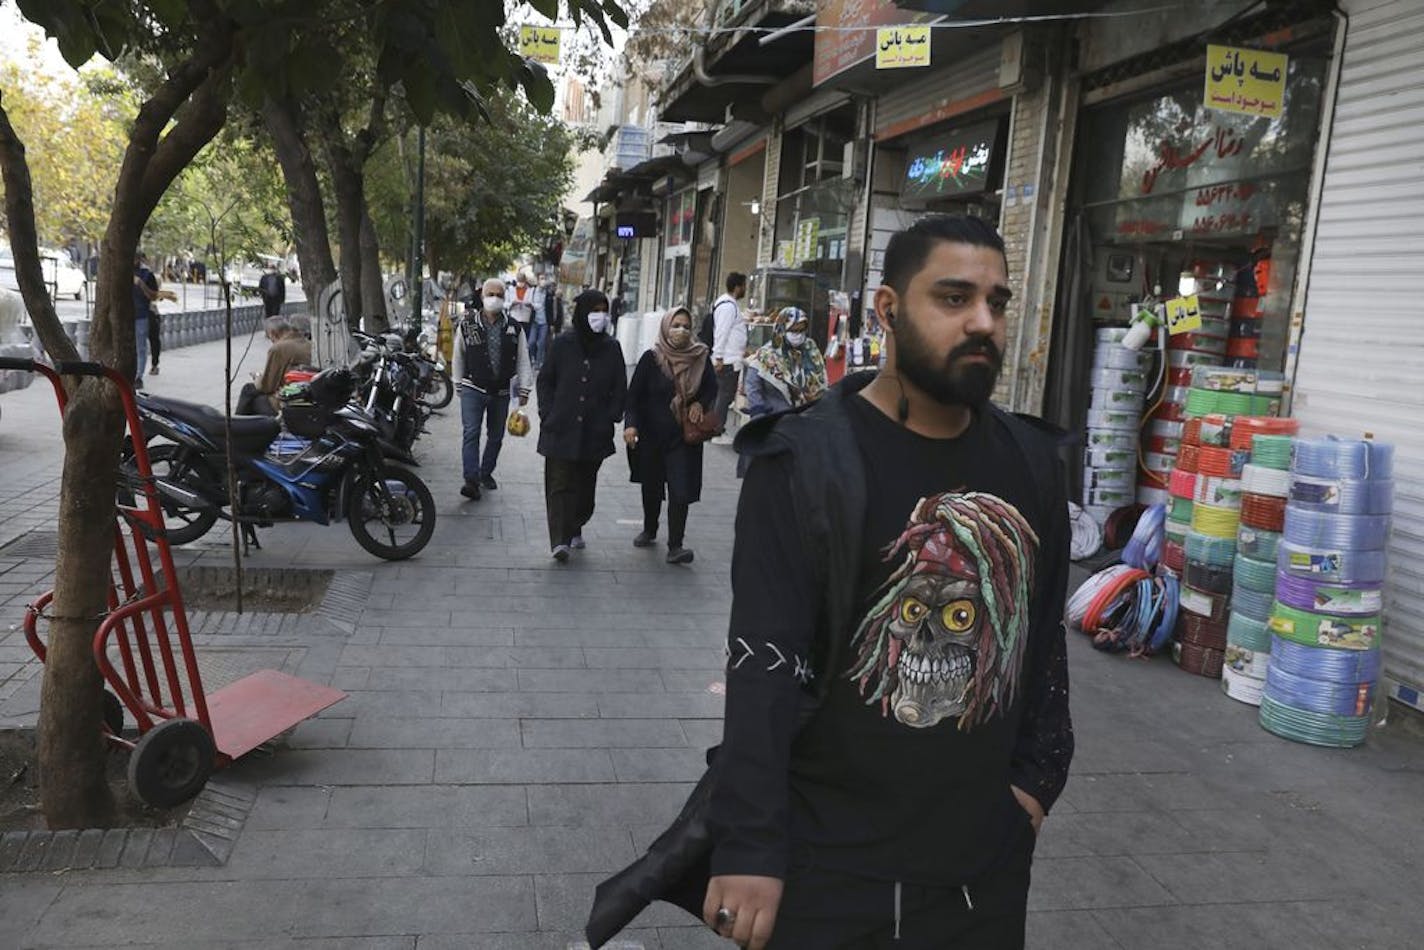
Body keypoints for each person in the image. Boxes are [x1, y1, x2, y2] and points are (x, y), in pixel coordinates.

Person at [702, 215, 1072, 949]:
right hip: (827, 868)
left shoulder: (1032, 463)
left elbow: (1041, 641)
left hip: (981, 872)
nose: (982, 322)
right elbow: (761, 667)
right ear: (888, 309)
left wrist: (1033, 786)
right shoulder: (803, 464)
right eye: (954, 297)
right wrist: (750, 846)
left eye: (997, 302)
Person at [536, 289, 627, 563]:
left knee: (585, 487)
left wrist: (612, 414)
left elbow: (620, 386)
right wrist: (547, 413)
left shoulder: (611, 347)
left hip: (594, 431)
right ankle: (559, 540)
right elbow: (546, 380)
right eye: (594, 310)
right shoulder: (562, 344)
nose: (599, 316)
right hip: (560, 428)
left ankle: (576, 524)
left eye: (603, 310)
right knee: (559, 484)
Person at [624, 307, 718, 565]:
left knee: (680, 489)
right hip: (652, 434)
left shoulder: (700, 357)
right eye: (676, 325)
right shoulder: (650, 359)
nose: (681, 331)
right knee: (652, 485)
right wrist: (630, 425)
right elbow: (633, 397)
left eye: (687, 326)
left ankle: (676, 544)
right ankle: (650, 528)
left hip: (684, 436)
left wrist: (701, 403)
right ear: (666, 327)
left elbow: (711, 387)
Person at [452, 278, 534, 500]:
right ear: (482, 296)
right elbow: (458, 353)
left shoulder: (514, 327)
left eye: (499, 294)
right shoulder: (467, 324)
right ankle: (471, 480)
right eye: (491, 294)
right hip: (472, 387)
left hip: (501, 392)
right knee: (471, 432)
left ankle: (485, 473)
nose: (494, 299)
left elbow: (524, 359)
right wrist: (457, 382)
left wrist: (524, 388)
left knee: (496, 436)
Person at [236, 316, 312, 416]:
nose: (271, 340)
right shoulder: (307, 343)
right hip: (303, 392)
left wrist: (257, 377)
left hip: (287, 399)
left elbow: (267, 386)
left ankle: (234, 425)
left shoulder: (278, 348)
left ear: (273, 333)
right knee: (250, 391)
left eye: (269, 337)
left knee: (250, 393)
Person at [709, 272, 748, 433]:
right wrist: (718, 356)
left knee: (723, 395)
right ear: (737, 287)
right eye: (744, 286)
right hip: (727, 359)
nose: (745, 289)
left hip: (729, 357)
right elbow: (722, 332)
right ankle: (716, 428)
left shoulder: (729, 305)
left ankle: (713, 426)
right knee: (724, 396)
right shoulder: (727, 307)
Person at [132, 253, 159, 388]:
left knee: (140, 347)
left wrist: (141, 285)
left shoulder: (147, 275)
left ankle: (138, 376)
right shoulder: (122, 271)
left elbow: (154, 296)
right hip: (125, 317)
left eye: (136, 258)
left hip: (141, 315)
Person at [528, 276, 551, 369]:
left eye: (544, 278)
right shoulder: (532, 291)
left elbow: (551, 308)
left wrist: (552, 322)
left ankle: (538, 363)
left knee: (541, 343)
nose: (543, 280)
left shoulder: (548, 293)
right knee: (531, 342)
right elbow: (529, 302)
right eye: (541, 278)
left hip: (544, 322)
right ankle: (531, 359)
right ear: (538, 280)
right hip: (534, 321)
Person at [507, 271, 536, 336]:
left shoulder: (530, 290)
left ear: (525, 281)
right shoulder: (510, 289)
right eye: (519, 281)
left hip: (525, 318)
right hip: (514, 317)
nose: (520, 283)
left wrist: (530, 305)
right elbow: (505, 304)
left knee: (524, 337)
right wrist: (512, 304)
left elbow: (535, 304)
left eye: (522, 281)